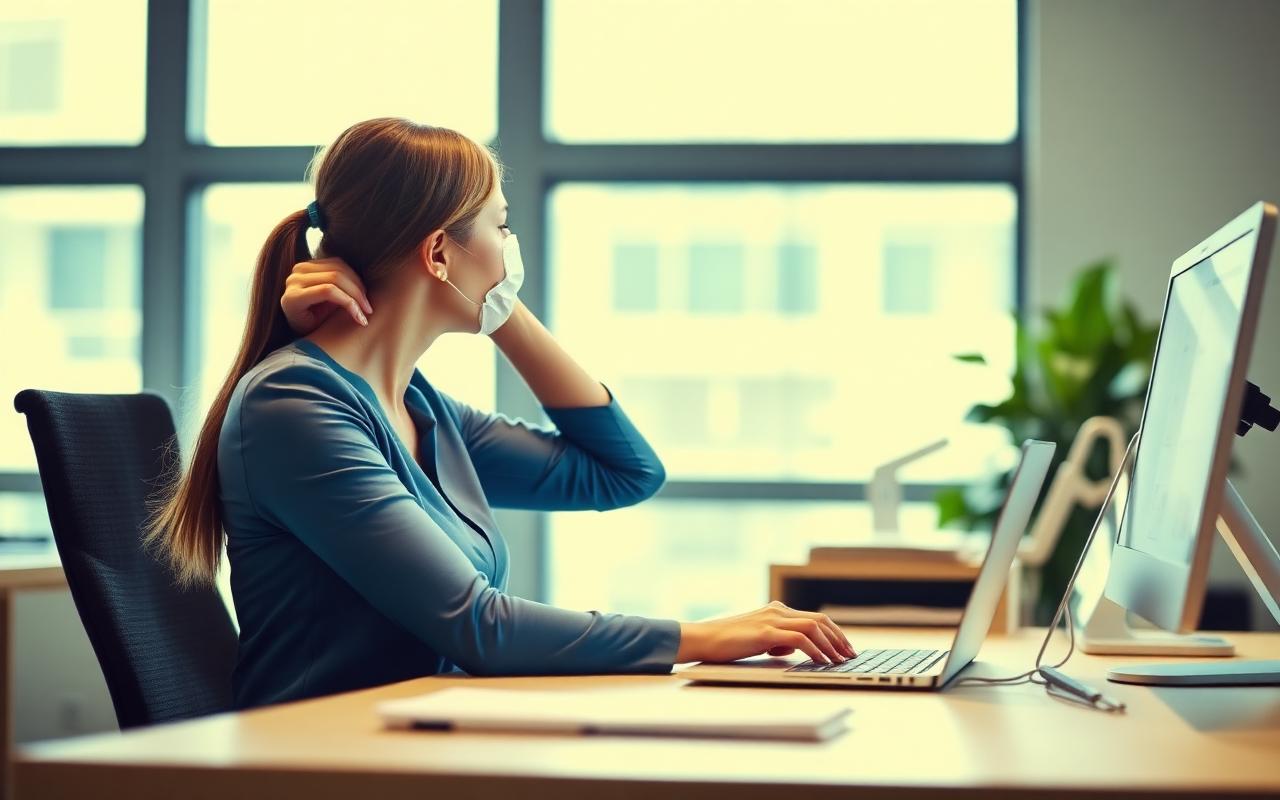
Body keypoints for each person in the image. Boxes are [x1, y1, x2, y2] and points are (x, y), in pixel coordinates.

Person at [146, 117, 854, 710]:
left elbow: (623, 474)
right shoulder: (295, 406)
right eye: (500, 228)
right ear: (437, 252)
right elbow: (476, 624)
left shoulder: (417, 406)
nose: (511, 252)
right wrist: (702, 637)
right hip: (328, 761)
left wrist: (502, 313)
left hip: (423, 737)